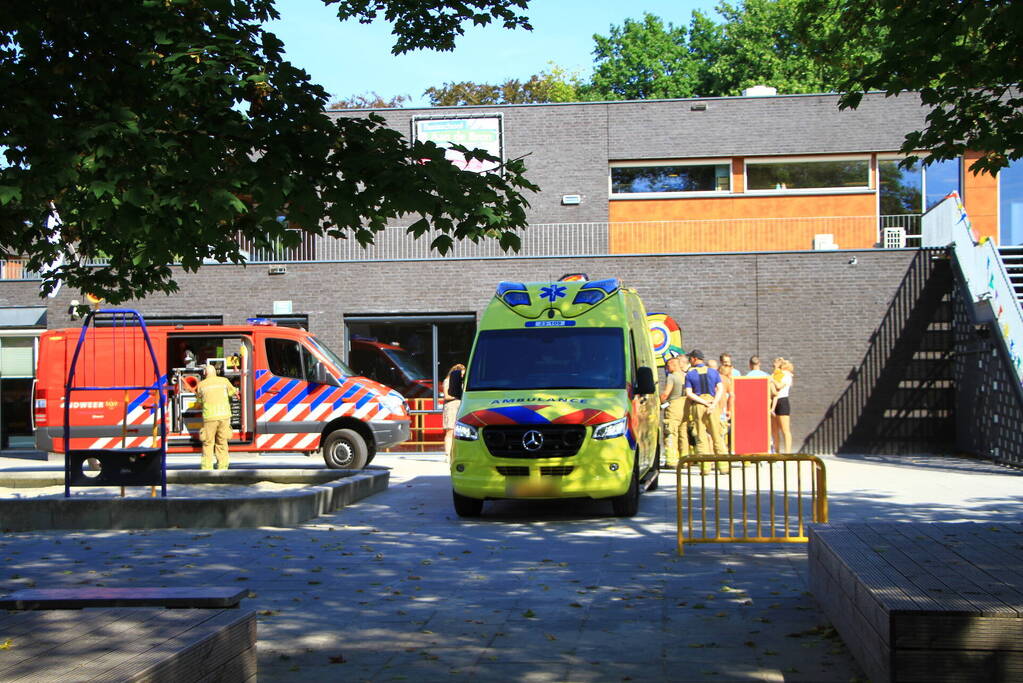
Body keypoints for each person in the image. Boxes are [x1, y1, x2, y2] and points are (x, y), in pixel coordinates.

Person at [684, 349, 728, 474]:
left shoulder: (690, 374)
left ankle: (705, 468)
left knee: (701, 437)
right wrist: (713, 404)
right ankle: (723, 467)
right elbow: (720, 389)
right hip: (713, 405)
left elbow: (689, 393)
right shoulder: (713, 372)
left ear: (694, 359)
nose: (689, 361)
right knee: (717, 435)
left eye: (690, 358)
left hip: (699, 405)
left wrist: (703, 402)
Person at [195, 363, 238, 470]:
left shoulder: (201, 385)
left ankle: (207, 467)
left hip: (209, 418)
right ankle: (223, 466)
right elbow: (233, 392)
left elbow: (199, 401)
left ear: (205, 373)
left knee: (208, 443)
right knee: (222, 442)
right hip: (224, 417)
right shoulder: (224, 381)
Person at [659, 352, 689, 468]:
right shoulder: (685, 375)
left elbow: (665, 394)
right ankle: (685, 460)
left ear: (673, 364)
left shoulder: (672, 377)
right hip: (685, 405)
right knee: (683, 434)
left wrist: (661, 403)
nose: (667, 368)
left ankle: (671, 461)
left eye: (668, 366)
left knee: (670, 433)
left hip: (674, 406)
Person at [770, 359, 795, 454]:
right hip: (773, 401)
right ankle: (777, 451)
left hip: (782, 401)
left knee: (785, 429)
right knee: (774, 430)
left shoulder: (787, 375)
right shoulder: (774, 375)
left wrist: (772, 380)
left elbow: (779, 386)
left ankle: (788, 452)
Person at [442, 363, 465, 459]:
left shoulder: (463, 382)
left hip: (461, 405)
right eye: (462, 374)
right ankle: (448, 454)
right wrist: (458, 395)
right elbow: (447, 396)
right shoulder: (448, 381)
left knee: (461, 431)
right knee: (450, 430)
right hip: (451, 405)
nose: (463, 376)